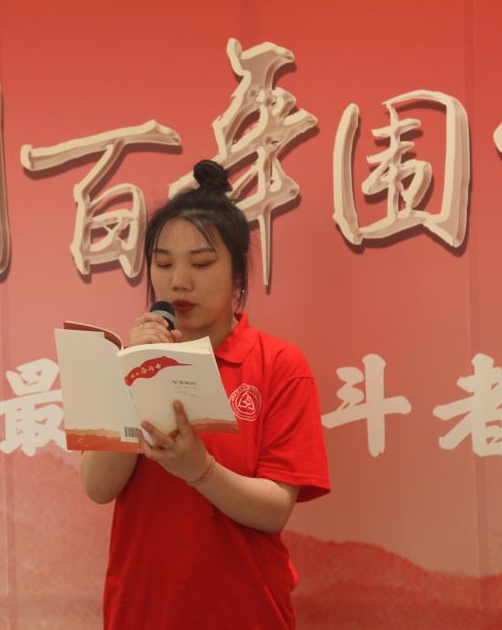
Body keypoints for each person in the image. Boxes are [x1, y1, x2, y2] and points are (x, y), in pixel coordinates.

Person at [80, 160, 330, 630]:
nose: (179, 281)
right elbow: (98, 487)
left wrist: (199, 470)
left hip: (247, 615)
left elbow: (275, 509)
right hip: (142, 614)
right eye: (163, 263)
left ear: (238, 277)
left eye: (201, 263)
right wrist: (136, 372)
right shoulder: (124, 359)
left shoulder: (280, 365)